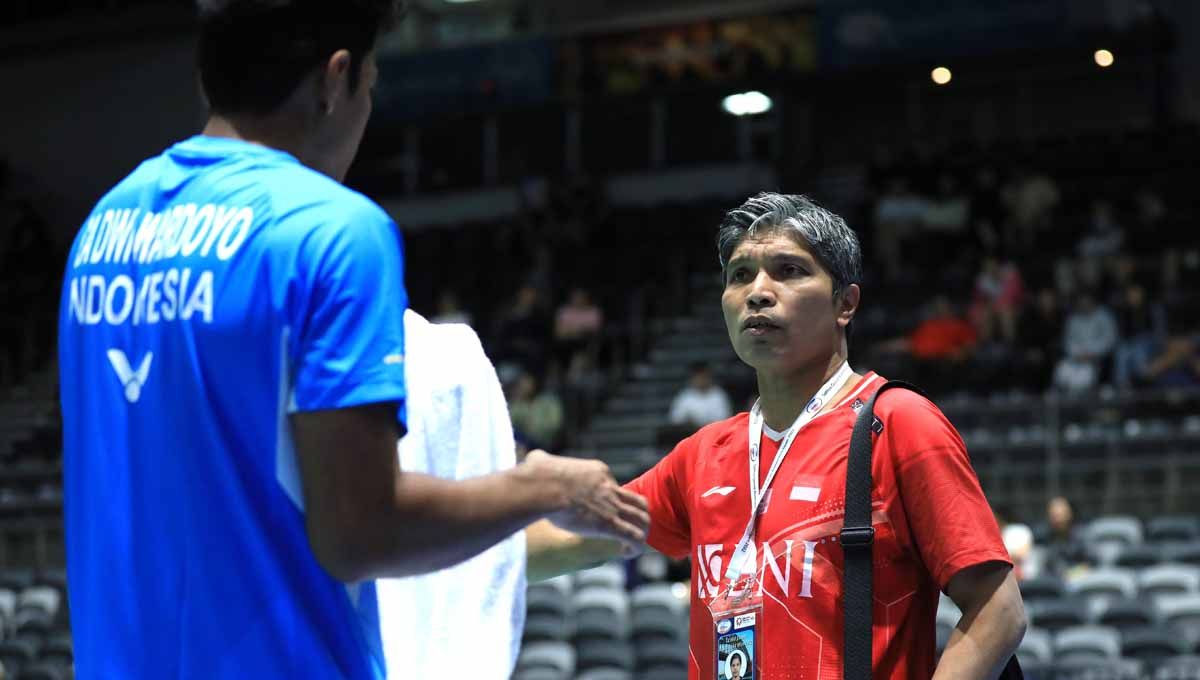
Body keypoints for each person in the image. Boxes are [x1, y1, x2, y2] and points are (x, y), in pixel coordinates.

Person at [56, 2, 648, 677]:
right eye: (370, 84)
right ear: (335, 81)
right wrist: (542, 487)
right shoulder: (329, 230)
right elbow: (360, 532)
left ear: (208, 79)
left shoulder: (105, 230)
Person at [529, 193, 1026, 678]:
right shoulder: (704, 455)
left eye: (789, 270)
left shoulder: (896, 425)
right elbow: (562, 543)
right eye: (740, 275)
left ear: (845, 303)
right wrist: (475, 519)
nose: (758, 291)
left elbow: (997, 612)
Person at [379, 311, 622, 678]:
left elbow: (479, 553)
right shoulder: (450, 359)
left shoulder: (448, 359)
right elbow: (365, 531)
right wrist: (538, 489)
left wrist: (604, 527)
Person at [668, 362, 734, 430]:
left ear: (709, 377)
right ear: (692, 378)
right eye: (698, 377)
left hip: (714, 433)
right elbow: (675, 420)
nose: (701, 380)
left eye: (704, 377)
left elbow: (725, 419)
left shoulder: (719, 395)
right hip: (691, 434)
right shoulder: (685, 396)